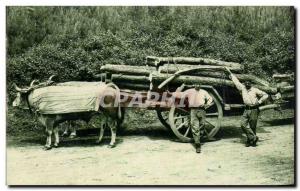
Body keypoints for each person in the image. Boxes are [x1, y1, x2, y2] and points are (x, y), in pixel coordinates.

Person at [225, 68, 269, 147]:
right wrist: (229, 73)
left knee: (253, 126)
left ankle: (251, 141)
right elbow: (236, 82)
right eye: (246, 83)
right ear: (245, 83)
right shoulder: (242, 88)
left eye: (249, 83)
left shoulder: (255, 90)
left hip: (254, 110)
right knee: (243, 124)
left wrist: (258, 102)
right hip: (246, 110)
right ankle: (254, 137)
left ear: (251, 84)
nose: (247, 84)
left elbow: (266, 95)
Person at [172, 84, 213, 153]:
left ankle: (199, 138)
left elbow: (210, 99)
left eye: (199, 84)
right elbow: (181, 95)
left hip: (202, 110)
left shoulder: (204, 92)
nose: (198, 85)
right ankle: (198, 145)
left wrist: (207, 104)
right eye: (196, 84)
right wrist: (172, 93)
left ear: (201, 85)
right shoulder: (189, 91)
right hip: (193, 110)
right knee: (195, 127)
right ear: (194, 85)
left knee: (202, 125)